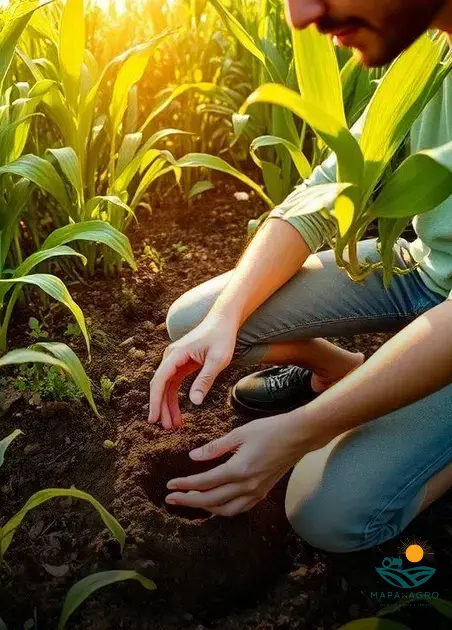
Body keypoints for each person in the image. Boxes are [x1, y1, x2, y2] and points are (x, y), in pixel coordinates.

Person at [149, 0, 452, 553]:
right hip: (428, 271)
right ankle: (346, 372)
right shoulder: (432, 52)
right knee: (196, 323)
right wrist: (225, 316)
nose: (302, 13)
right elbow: (324, 188)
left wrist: (303, 429)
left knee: (329, 515)